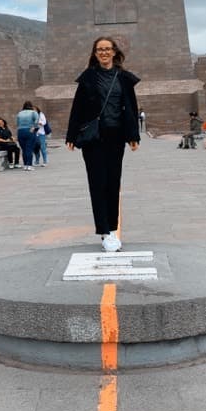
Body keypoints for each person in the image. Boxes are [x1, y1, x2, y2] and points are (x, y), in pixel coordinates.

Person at [66, 37, 140, 253]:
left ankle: (113, 228)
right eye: (100, 50)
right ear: (95, 53)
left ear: (115, 52)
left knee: (113, 183)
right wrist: (71, 135)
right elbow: (77, 108)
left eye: (107, 49)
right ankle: (105, 232)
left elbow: (131, 108)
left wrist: (133, 135)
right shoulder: (88, 77)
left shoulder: (124, 78)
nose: (104, 53)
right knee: (97, 183)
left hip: (116, 138)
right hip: (94, 139)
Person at [16, 101, 39, 170]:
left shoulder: (19, 113)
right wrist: (34, 127)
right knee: (29, 148)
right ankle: (29, 165)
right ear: (31, 106)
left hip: (20, 131)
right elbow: (37, 121)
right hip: (29, 131)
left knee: (24, 149)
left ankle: (25, 165)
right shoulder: (33, 112)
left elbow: (17, 123)